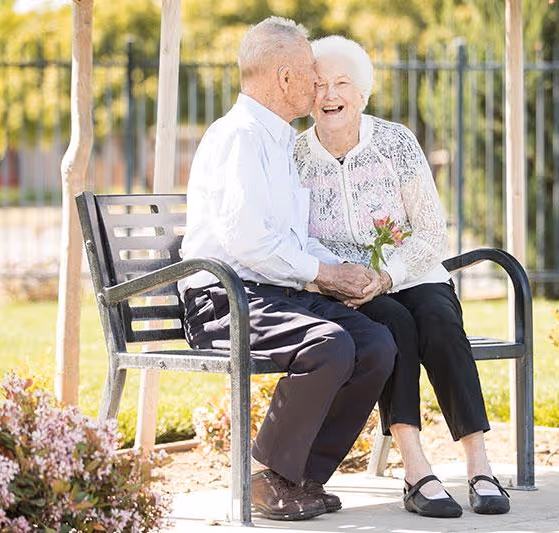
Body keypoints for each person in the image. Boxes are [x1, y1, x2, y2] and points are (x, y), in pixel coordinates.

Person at [179, 19, 396, 522]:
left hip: (274, 293)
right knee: (328, 344)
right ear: (283, 77)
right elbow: (249, 242)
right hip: (224, 299)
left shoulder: (277, 141)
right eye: (309, 73)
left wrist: (343, 269)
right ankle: (265, 476)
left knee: (376, 344)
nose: (318, 83)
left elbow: (290, 238)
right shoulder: (241, 138)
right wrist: (323, 273)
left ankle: (298, 478)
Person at [293, 35, 511, 518]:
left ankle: (480, 464)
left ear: (363, 91)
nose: (330, 95)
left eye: (342, 83)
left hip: (411, 271)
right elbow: (296, 237)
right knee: (395, 326)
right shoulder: (297, 157)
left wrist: (388, 274)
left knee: (438, 319)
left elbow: (431, 229)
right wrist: (335, 277)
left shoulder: (395, 142)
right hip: (346, 287)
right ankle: (416, 469)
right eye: (319, 84)